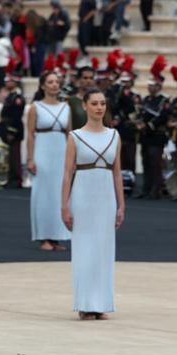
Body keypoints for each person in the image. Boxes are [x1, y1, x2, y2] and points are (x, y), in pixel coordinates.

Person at [61, 88, 125, 320]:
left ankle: (101, 303)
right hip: (82, 196)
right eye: (94, 103)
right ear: (85, 106)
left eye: (102, 103)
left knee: (104, 250)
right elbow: (67, 173)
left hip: (106, 196)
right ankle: (85, 304)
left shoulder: (114, 135)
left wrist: (121, 205)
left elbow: (117, 173)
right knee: (84, 249)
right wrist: (64, 206)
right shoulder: (75, 137)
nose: (99, 107)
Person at [27, 71, 72, 251]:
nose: (54, 85)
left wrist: (72, 158)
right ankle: (44, 236)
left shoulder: (66, 107)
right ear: (43, 86)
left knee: (59, 194)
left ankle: (57, 236)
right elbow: (30, 135)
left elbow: (70, 134)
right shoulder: (35, 107)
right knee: (43, 194)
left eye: (56, 82)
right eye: (50, 82)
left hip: (60, 151)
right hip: (42, 151)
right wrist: (30, 158)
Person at [135, 65, 170, 199]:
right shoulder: (146, 99)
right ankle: (146, 188)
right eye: (149, 85)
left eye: (153, 85)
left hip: (156, 136)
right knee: (146, 163)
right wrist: (139, 123)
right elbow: (142, 114)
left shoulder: (164, 100)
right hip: (145, 136)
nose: (150, 87)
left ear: (159, 86)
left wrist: (148, 125)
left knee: (156, 164)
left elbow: (163, 116)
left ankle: (156, 189)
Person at [0, 67, 26, 188]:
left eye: (9, 80)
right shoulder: (11, 96)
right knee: (10, 156)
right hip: (7, 126)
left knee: (15, 156)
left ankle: (17, 179)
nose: (6, 82)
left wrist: (11, 132)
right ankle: (10, 178)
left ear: (15, 82)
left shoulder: (17, 98)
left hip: (14, 129)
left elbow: (16, 116)